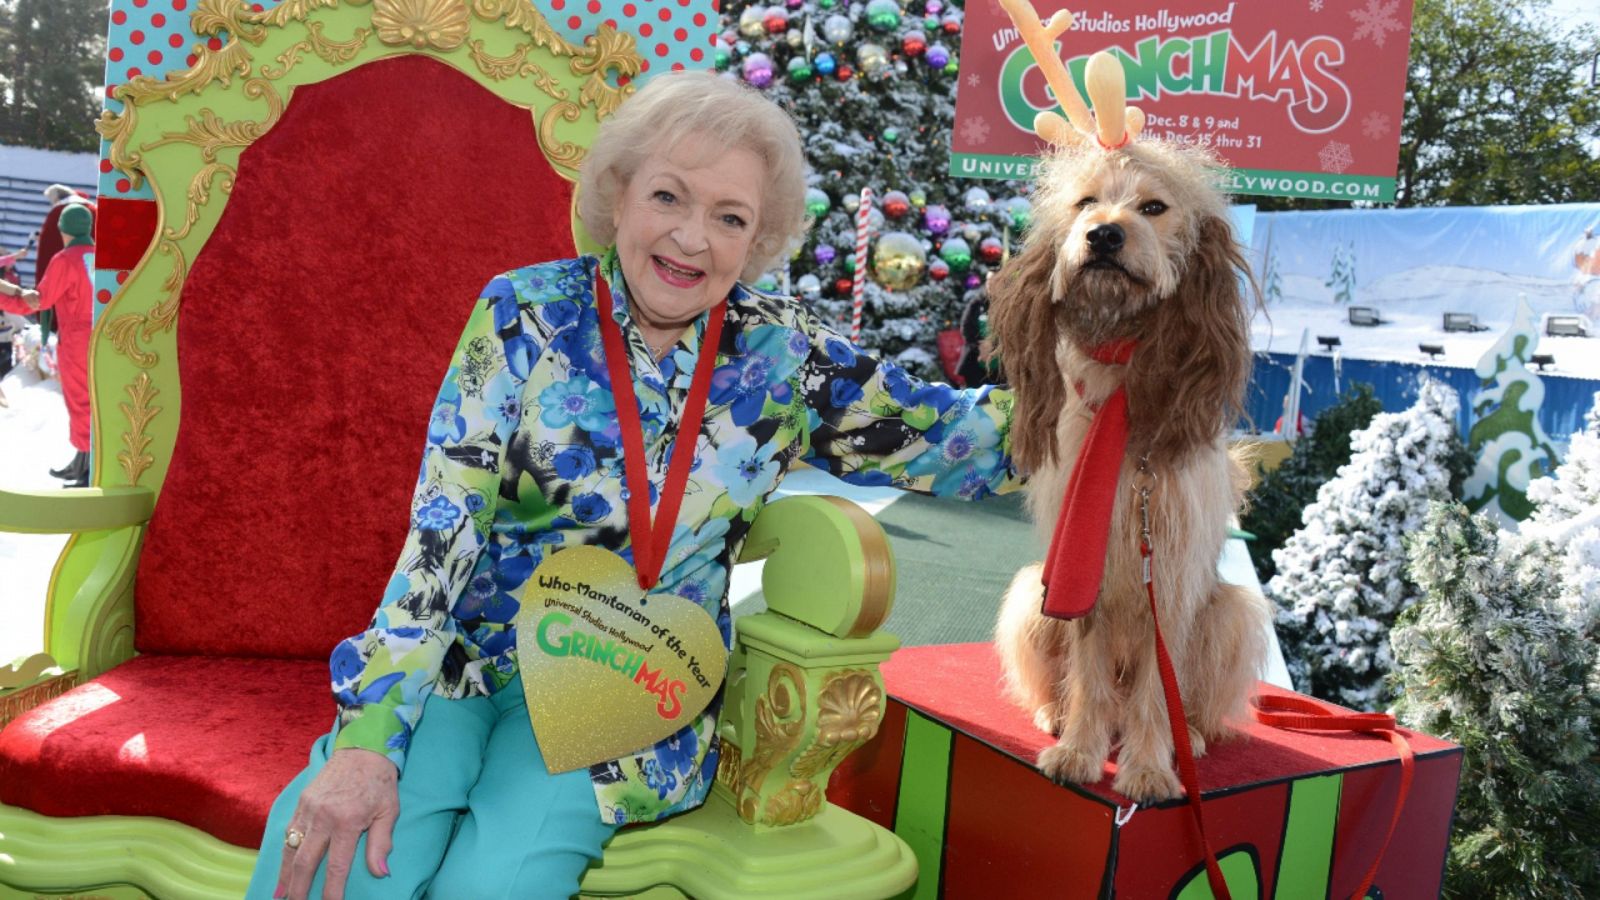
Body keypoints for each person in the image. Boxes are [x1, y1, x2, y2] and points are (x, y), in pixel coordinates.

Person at [248, 71, 1016, 900]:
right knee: (346, 868)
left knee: (498, 885)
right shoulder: (523, 313)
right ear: (618, 198)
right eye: (668, 197)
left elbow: (965, 444)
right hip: (457, 665)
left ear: (757, 242)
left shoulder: (785, 357)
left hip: (626, 690)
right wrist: (370, 737)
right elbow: (445, 530)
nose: (692, 238)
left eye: (730, 218)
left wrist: (1108, 368)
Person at [0, 205, 95, 485]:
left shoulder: (66, 259)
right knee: (94, 401)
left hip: (77, 338)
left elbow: (41, 300)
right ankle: (82, 460)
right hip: (101, 335)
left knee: (80, 400)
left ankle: (86, 468)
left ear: (63, 229)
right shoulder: (98, 255)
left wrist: (5, 298)